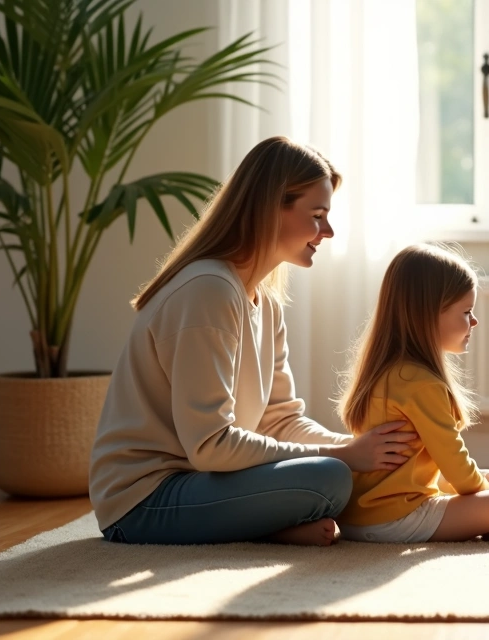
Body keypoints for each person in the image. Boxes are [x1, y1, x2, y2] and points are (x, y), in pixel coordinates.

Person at [90, 136, 416, 547]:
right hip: (144, 501)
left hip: (203, 481)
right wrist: (344, 457)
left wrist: (357, 447)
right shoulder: (208, 290)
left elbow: (280, 421)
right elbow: (210, 446)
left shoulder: (265, 302)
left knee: (350, 471)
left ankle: (274, 527)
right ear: (269, 209)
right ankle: (274, 524)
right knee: (330, 478)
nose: (328, 231)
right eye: (317, 215)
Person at [335, 243, 489, 543]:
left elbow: (426, 468)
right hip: (396, 519)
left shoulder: (387, 373)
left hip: (355, 518)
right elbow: (456, 467)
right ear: (427, 316)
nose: (474, 321)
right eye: (466, 311)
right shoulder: (422, 384)